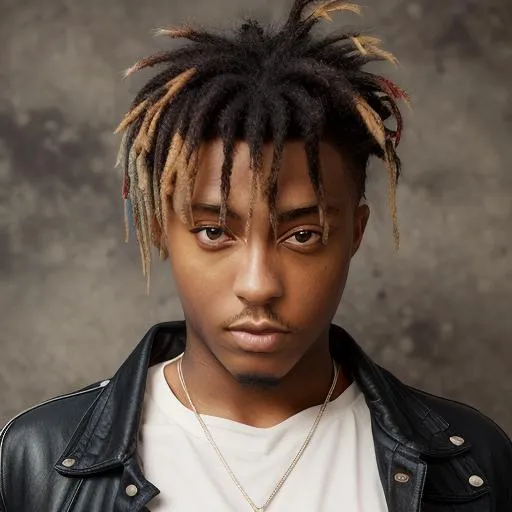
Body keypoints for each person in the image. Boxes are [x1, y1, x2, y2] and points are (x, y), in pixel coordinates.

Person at [1, 1, 511, 511]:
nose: (259, 284)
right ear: (159, 227)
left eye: (303, 235)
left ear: (354, 234)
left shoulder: (472, 467)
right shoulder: (37, 460)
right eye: (214, 232)